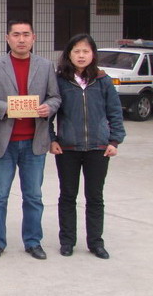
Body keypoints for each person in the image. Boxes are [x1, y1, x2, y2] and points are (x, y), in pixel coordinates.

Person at [0, 20, 61, 260]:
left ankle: (33, 241)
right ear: (7, 38)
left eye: (26, 34)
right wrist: (8, 108)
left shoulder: (45, 66)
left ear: (33, 38)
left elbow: (55, 96)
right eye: (16, 35)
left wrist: (48, 107)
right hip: (5, 142)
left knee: (33, 196)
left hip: (35, 141)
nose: (21, 39)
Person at [50, 34, 125, 259]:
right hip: (67, 148)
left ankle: (95, 242)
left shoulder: (103, 80)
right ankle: (67, 241)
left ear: (93, 54)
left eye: (86, 51)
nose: (81, 55)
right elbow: (48, 113)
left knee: (95, 197)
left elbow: (115, 112)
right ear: (69, 54)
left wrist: (114, 141)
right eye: (76, 51)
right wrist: (52, 139)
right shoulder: (60, 80)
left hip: (98, 148)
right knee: (67, 196)